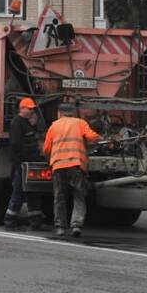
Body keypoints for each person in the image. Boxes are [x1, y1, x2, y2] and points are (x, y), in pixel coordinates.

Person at [43, 102, 99, 238]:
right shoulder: (80, 123)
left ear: (59, 113)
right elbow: (92, 137)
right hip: (75, 165)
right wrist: (101, 138)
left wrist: (49, 158)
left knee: (59, 197)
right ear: (73, 113)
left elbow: (46, 148)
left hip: (58, 166)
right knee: (79, 195)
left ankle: (60, 227)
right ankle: (76, 225)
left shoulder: (54, 126)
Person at [5, 98, 48, 231]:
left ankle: (36, 221)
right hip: (22, 164)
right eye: (29, 109)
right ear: (22, 108)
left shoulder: (26, 122)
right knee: (19, 191)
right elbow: (16, 144)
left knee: (33, 191)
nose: (31, 111)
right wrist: (23, 159)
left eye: (32, 109)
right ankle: (10, 221)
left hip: (28, 162)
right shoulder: (17, 123)